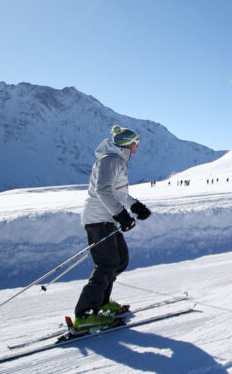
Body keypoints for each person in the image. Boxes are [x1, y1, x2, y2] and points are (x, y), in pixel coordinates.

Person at [73, 125, 152, 330]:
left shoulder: (118, 160)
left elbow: (119, 194)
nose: (137, 147)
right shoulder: (110, 160)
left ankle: (102, 303)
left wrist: (135, 206)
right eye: (136, 143)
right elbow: (102, 190)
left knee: (120, 260)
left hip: (108, 219)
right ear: (128, 144)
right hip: (98, 219)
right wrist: (120, 214)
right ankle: (85, 314)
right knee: (106, 265)